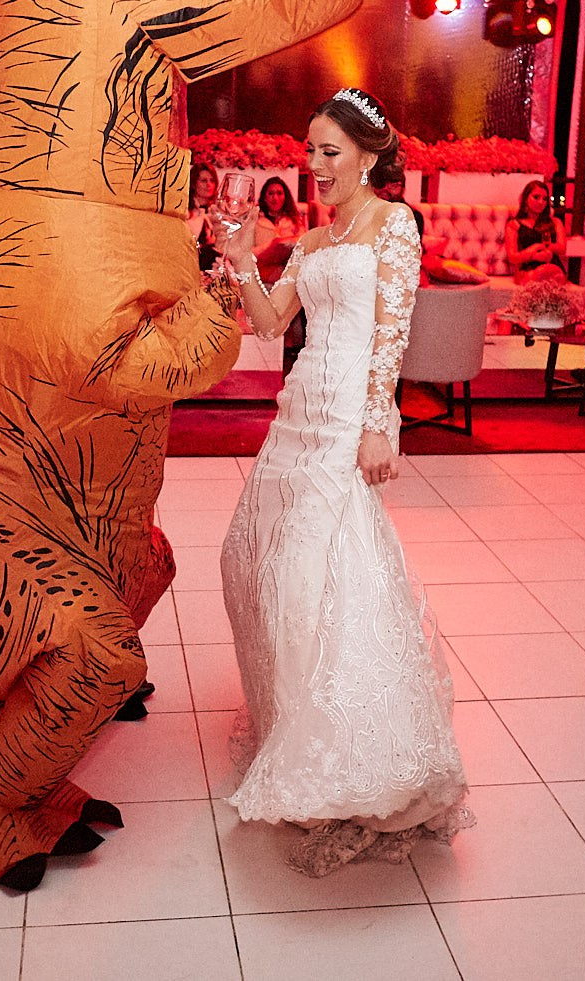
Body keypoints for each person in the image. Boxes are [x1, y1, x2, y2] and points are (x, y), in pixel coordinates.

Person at [218, 87, 470, 876]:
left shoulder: (395, 226)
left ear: (368, 154)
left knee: (320, 580)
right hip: (297, 415)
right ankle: (300, 725)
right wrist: (236, 263)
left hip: (343, 426)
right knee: (248, 563)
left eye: (330, 151)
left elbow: (391, 330)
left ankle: (365, 777)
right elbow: (268, 323)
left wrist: (376, 423)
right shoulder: (312, 240)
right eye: (310, 150)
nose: (315, 165)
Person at [253, 175, 304, 285]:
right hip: (262, 269)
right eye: (271, 193)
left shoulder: (295, 220)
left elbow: (305, 244)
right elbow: (248, 253)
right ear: (264, 197)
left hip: (289, 270)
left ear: (285, 197)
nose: (275, 198)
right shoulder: (254, 221)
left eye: (279, 193)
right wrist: (270, 246)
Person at [505, 179, 562, 273]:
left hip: (552, 265)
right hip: (528, 267)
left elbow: (561, 248)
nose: (541, 202)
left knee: (553, 273)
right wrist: (533, 254)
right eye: (536, 197)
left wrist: (544, 247)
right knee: (538, 274)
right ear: (526, 199)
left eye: (544, 199)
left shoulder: (555, 222)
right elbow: (512, 257)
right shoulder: (514, 224)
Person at [185, 162, 220, 271]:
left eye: (212, 180)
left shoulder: (218, 212)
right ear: (194, 184)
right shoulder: (185, 212)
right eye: (204, 180)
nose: (209, 184)